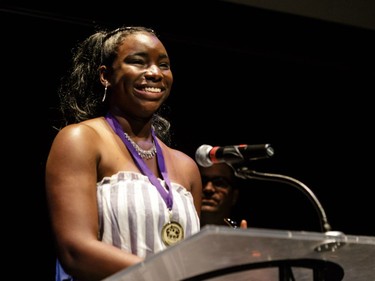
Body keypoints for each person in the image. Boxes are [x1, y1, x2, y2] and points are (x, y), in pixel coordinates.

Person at [45, 25, 202, 281]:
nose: (154, 73)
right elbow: (76, 252)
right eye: (138, 62)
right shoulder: (81, 140)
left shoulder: (186, 167)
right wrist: (166, 273)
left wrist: (229, 255)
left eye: (163, 65)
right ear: (105, 75)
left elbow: (192, 259)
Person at [199, 162, 247, 229]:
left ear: (234, 196)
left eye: (219, 182)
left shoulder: (242, 236)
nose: (208, 189)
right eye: (202, 181)